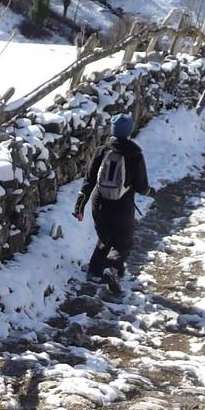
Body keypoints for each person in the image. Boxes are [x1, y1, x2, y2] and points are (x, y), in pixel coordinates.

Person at [73, 113, 150, 290]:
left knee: (104, 236)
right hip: (122, 206)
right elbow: (141, 186)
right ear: (129, 131)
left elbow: (89, 180)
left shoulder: (101, 151)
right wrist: (149, 191)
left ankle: (94, 270)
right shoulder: (135, 154)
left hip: (99, 203)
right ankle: (113, 268)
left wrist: (79, 206)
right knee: (123, 242)